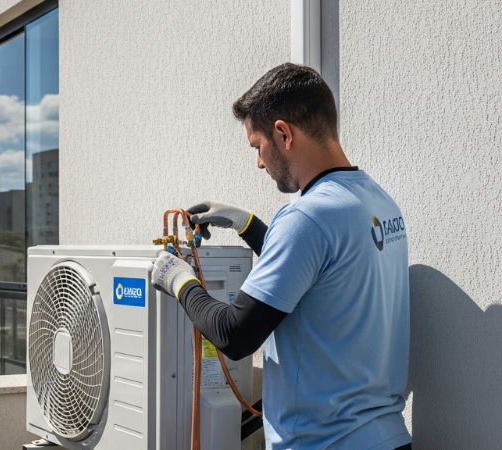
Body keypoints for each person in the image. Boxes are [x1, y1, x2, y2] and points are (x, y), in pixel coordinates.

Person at [151, 63, 412, 450]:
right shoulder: (378, 202)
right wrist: (247, 223)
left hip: (326, 442)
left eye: (258, 146)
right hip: (387, 438)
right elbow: (319, 271)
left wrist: (178, 280)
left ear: (283, 133)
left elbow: (234, 335)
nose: (258, 162)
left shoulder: (306, 216)